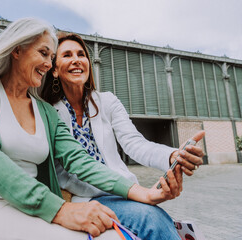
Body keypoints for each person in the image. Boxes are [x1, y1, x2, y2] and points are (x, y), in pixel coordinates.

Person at [0, 18, 183, 240]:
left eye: (50, 57)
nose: (48, 63)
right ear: (17, 50)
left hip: (35, 206)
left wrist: (144, 193)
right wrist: (60, 210)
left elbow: (79, 160)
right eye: (44, 54)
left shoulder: (44, 112)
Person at [40, 32, 205, 240]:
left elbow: (134, 143)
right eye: (67, 55)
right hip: (84, 198)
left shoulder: (107, 101)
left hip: (123, 191)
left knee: (156, 218)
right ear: (54, 70)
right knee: (150, 220)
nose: (76, 60)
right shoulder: (49, 112)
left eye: (81, 54)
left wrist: (172, 156)